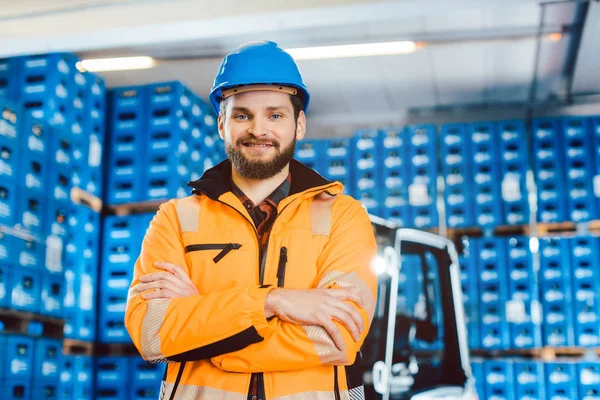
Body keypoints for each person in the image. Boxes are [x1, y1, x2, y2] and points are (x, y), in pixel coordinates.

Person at [125, 40, 378, 400]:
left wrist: (203, 335)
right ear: (221, 124)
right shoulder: (177, 218)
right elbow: (151, 332)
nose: (259, 130)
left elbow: (336, 335)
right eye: (242, 115)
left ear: (299, 124)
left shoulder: (342, 215)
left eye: (275, 115)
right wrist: (271, 302)